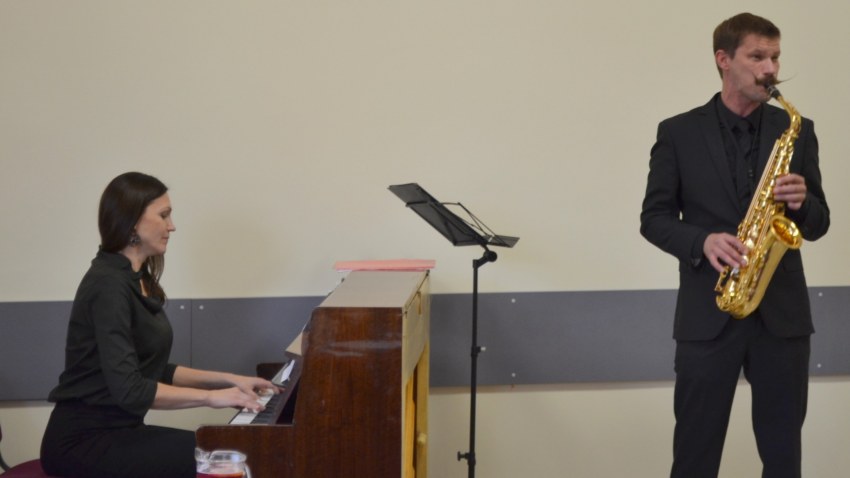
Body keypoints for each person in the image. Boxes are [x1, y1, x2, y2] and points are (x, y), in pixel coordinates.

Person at [640, 12, 830, 478]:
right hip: (708, 316)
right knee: (695, 457)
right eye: (758, 57)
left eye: (775, 57)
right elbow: (654, 219)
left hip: (782, 321)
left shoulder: (797, 129)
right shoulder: (678, 132)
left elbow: (819, 223)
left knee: (783, 458)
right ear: (723, 60)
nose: (771, 69)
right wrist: (701, 240)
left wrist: (803, 202)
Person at [40, 172, 279, 478]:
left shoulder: (135, 279)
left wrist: (228, 381)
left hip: (119, 433)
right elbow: (131, 390)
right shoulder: (107, 285)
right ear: (131, 222)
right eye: (164, 215)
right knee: (226, 457)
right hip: (82, 442)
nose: (172, 226)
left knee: (230, 451)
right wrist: (212, 398)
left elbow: (153, 369)